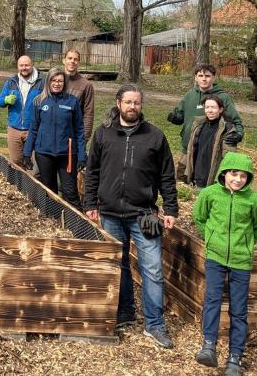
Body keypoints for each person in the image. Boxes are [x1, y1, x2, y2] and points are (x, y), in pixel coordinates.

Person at [84, 84, 179, 349]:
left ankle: (155, 324)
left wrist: (170, 208)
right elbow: (92, 171)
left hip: (145, 214)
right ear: (118, 103)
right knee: (120, 265)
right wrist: (90, 202)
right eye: (128, 102)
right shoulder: (104, 134)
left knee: (152, 269)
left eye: (137, 103)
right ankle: (125, 311)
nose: (132, 107)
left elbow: (167, 177)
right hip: (111, 212)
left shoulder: (155, 137)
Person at [192, 152, 257, 376]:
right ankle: (209, 346)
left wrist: (246, 244)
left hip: (241, 261)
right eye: (234, 174)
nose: (238, 179)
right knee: (212, 300)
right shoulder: (210, 194)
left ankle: (235, 358)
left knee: (239, 309)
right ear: (224, 173)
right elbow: (199, 217)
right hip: (215, 256)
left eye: (244, 176)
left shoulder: (253, 200)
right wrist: (211, 237)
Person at [22, 68, 86, 210]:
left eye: (60, 81)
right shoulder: (39, 101)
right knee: (49, 191)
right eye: (54, 80)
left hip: (67, 154)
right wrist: (27, 153)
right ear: (48, 82)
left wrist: (82, 155)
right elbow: (33, 129)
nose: (57, 84)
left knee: (70, 192)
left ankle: (78, 226)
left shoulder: (72, 102)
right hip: (44, 153)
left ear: (65, 83)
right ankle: (54, 221)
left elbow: (79, 130)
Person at [167, 63, 244, 179]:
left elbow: (236, 120)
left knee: (204, 180)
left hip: (209, 148)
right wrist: (175, 118)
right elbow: (181, 116)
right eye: (200, 75)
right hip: (187, 146)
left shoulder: (222, 97)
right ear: (195, 77)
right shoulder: (190, 95)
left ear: (213, 77)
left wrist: (238, 133)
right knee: (183, 179)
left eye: (207, 76)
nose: (203, 79)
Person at [0, 55, 44, 167]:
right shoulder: (11, 81)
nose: (24, 68)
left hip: (33, 128)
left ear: (32, 65)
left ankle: (31, 184)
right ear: (18, 66)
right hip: (14, 128)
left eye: (27, 65)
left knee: (33, 164)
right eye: (21, 65)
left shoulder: (42, 81)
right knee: (16, 162)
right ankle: (18, 184)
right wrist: (6, 100)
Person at [184, 96, 237, 188]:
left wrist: (220, 179)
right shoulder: (198, 125)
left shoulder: (227, 128)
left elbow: (228, 157)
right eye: (207, 107)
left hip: (212, 176)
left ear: (220, 109)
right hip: (197, 173)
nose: (210, 110)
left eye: (213, 107)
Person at [62, 50, 95, 141]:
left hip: (74, 134)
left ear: (78, 63)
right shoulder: (54, 81)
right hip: (54, 132)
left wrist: (85, 137)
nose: (72, 61)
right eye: (70, 58)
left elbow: (88, 112)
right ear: (64, 60)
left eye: (75, 59)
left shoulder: (86, 85)